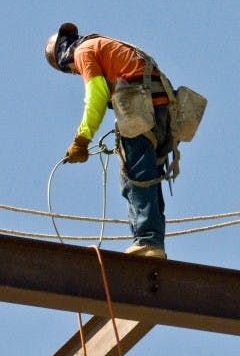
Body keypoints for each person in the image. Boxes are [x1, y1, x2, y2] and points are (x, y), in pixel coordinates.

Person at [45, 22, 172, 259]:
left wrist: (81, 140)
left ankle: (147, 242)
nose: (75, 72)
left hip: (140, 109)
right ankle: (153, 242)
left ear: (64, 59)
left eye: (72, 71)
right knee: (150, 176)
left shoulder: (83, 52)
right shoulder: (103, 46)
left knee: (135, 176)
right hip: (161, 110)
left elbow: (96, 96)